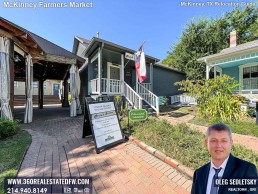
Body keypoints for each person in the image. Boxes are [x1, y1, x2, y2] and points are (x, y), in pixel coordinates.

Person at [191, 123, 257, 194]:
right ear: (206, 143)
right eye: (214, 140)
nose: (218, 145)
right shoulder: (199, 173)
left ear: (231, 143)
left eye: (224, 141)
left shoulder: (246, 170)